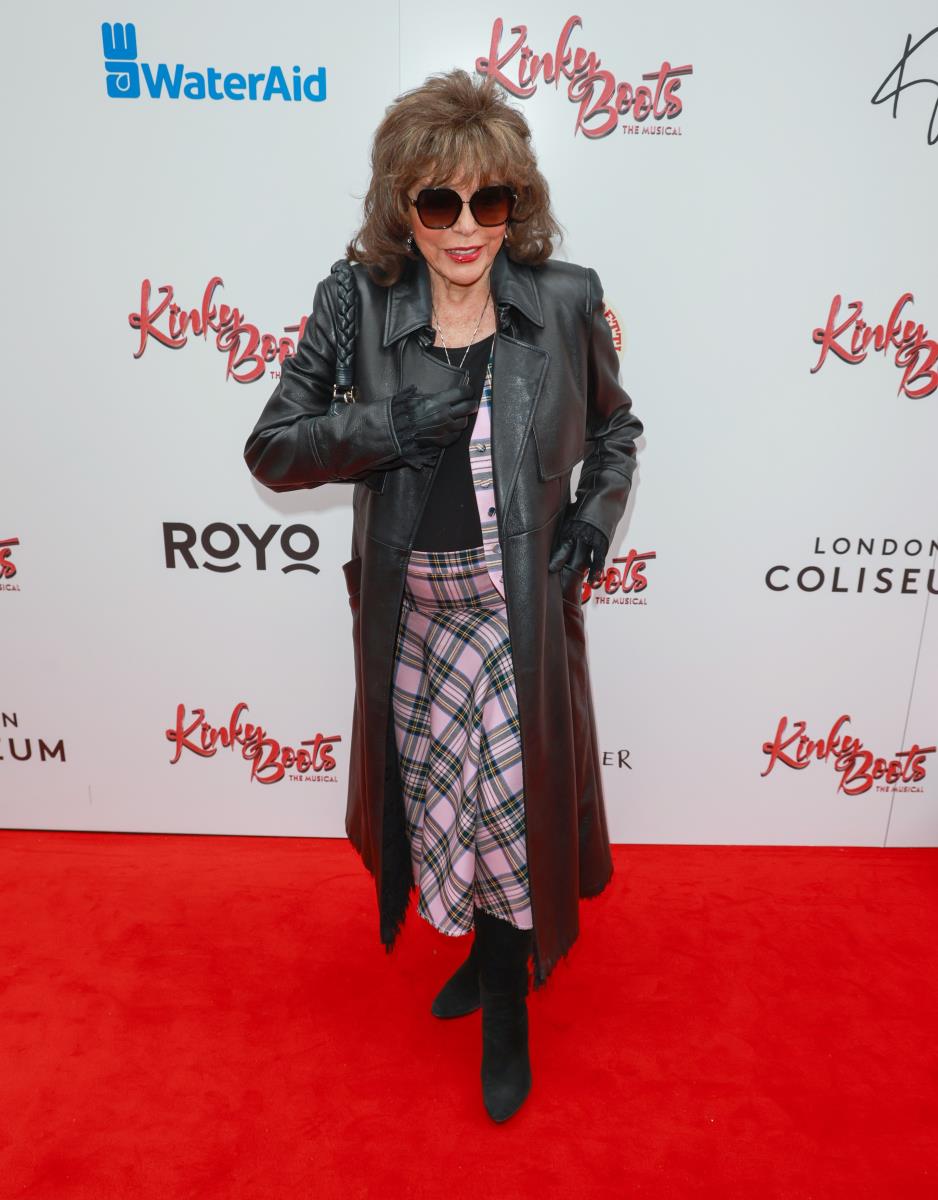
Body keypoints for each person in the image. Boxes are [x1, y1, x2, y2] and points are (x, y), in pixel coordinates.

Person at [243, 68, 644, 1123]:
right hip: (412, 614)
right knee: (441, 809)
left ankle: (506, 1001)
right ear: (403, 206)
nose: (466, 227)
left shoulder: (563, 299)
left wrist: (593, 518)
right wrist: (388, 426)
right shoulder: (355, 301)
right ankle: (482, 956)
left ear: (515, 201)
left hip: (516, 613)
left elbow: (615, 430)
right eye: (438, 202)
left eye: (488, 199)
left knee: (507, 815)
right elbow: (273, 447)